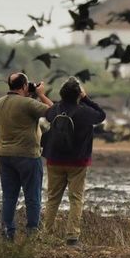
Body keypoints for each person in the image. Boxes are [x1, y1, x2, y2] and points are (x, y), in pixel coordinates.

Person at [41, 77, 105, 246]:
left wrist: (42, 95)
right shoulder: (85, 112)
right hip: (78, 162)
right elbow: (101, 115)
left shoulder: (55, 110)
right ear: (78, 94)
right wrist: (86, 98)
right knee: (76, 198)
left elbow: (48, 112)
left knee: (52, 198)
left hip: (54, 160)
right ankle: (72, 237)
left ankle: (46, 235)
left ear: (61, 94)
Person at [0, 71, 52, 240]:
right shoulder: (28, 104)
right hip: (28, 155)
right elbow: (52, 112)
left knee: (9, 197)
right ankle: (32, 234)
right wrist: (41, 94)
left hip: (5, 155)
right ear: (25, 86)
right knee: (32, 197)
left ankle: (7, 234)